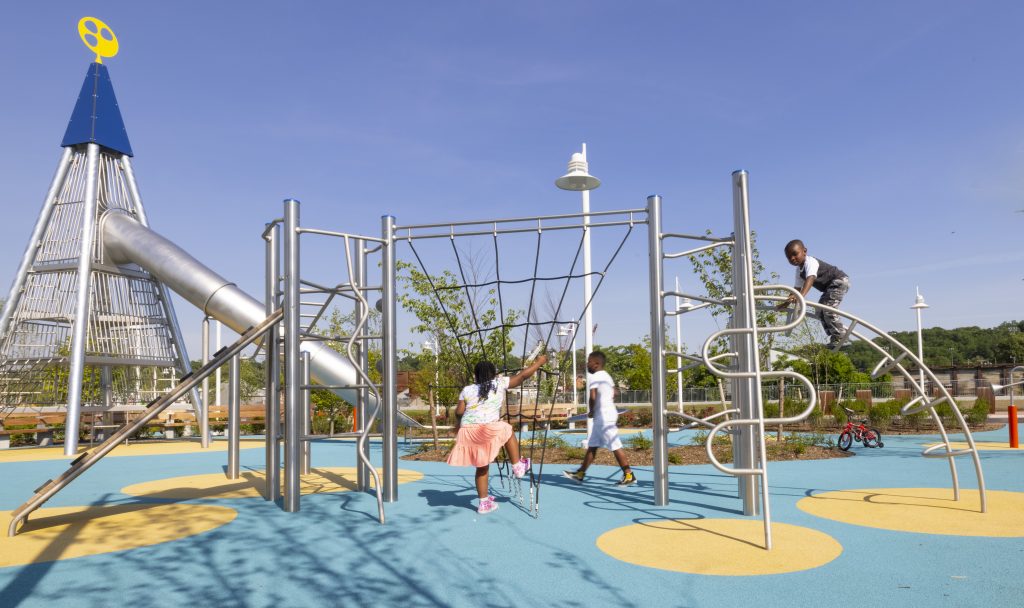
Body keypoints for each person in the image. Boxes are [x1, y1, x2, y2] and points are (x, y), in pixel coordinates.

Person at [447, 354, 548, 514]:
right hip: (486, 428)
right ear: (494, 374)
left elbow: (459, 411)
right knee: (507, 429)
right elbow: (522, 376)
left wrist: (458, 423)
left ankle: (484, 503)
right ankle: (518, 466)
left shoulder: (467, 389)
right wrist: (539, 363)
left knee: (482, 467)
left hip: (468, 431)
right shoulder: (499, 383)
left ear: (476, 375)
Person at [562, 351, 635, 486]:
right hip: (605, 414)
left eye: (589, 361)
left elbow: (593, 396)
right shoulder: (606, 376)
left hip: (604, 416)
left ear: (596, 364)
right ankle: (580, 473)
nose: (587, 364)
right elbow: (615, 392)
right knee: (593, 446)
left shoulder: (595, 377)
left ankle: (629, 475)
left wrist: (591, 411)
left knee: (615, 445)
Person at [777, 239, 851, 349]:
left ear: (804, 251)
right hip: (829, 288)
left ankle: (841, 336)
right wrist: (786, 303)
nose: (792, 258)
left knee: (828, 308)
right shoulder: (799, 271)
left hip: (838, 281)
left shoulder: (810, 262)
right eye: (789, 257)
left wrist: (801, 296)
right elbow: (796, 289)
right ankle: (834, 337)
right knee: (819, 310)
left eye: (795, 254)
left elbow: (810, 279)